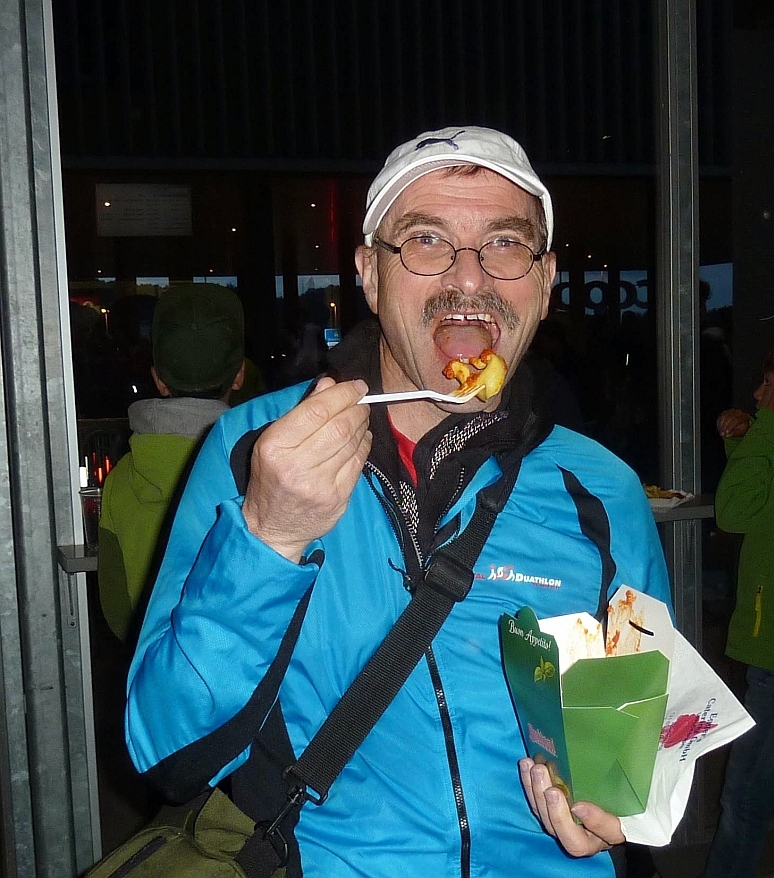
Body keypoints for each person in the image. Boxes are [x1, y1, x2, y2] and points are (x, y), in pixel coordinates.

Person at [125, 126, 672, 877]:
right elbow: (168, 753)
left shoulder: (604, 491)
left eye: (505, 244)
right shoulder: (254, 450)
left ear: (544, 283)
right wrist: (269, 537)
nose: (469, 278)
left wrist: (619, 807)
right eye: (426, 240)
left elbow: (645, 734)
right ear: (371, 274)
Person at [98, 284, 246, 644]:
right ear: (239, 374)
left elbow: (118, 613)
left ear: (158, 380)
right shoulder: (261, 469)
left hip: (154, 667)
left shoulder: (120, 479)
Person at [703, 339, 774, 878]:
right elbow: (763, 498)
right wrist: (748, 441)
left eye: (771, 388)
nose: (759, 396)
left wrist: (762, 434)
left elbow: (736, 510)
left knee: (743, 801)